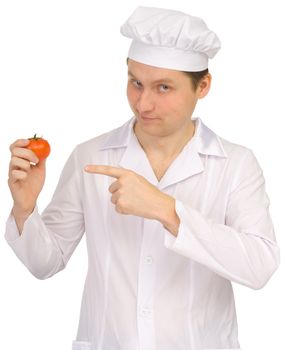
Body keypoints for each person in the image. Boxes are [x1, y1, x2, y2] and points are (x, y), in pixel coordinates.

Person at [5, 6, 280, 350]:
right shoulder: (90, 157)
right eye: (136, 83)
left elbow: (259, 267)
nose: (143, 103)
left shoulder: (236, 164)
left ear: (203, 86)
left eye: (163, 87)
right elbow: (45, 264)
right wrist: (25, 209)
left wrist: (167, 210)